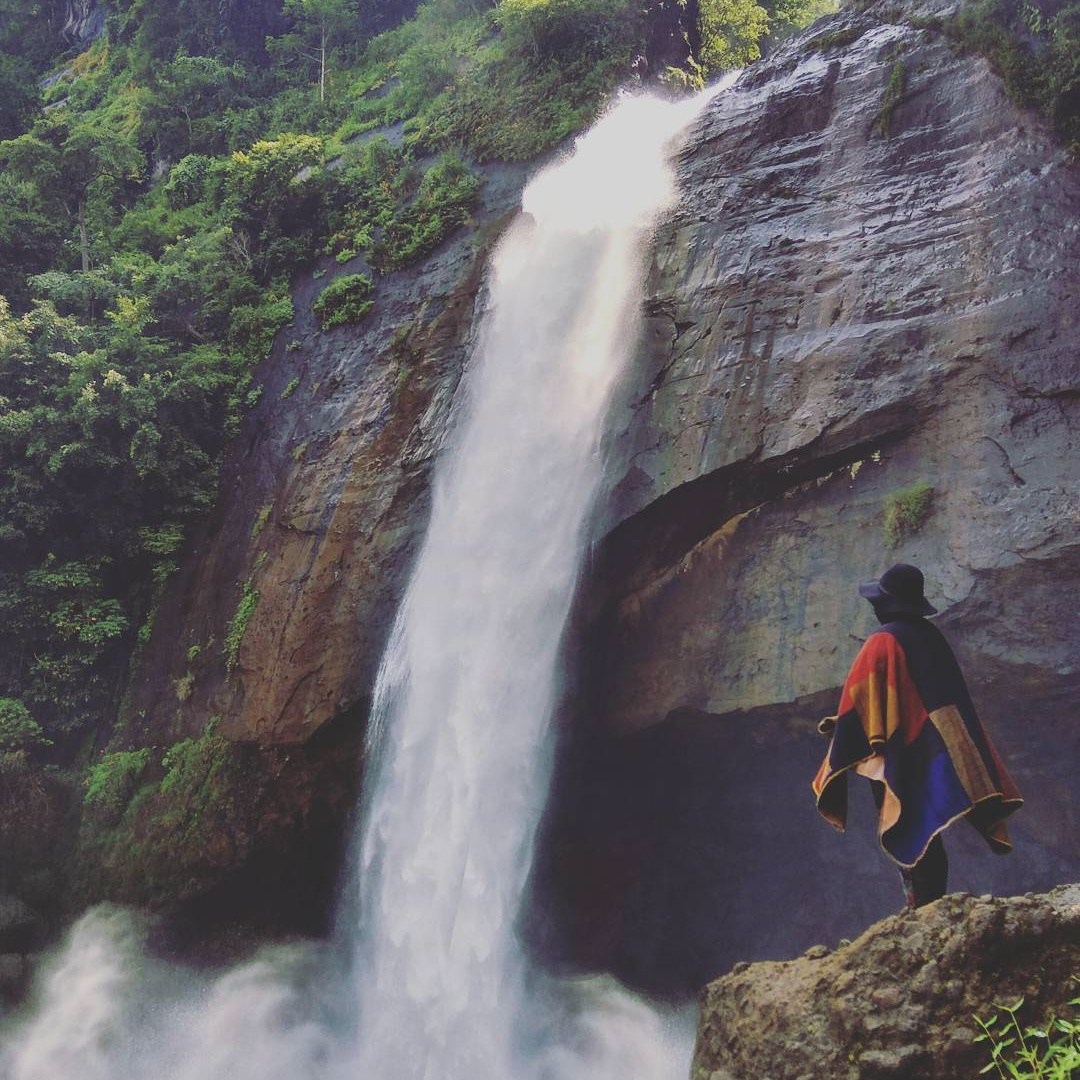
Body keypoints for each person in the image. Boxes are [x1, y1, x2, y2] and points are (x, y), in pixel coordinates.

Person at [811, 563, 1022, 908]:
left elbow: (859, 701)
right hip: (936, 744)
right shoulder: (930, 635)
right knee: (925, 822)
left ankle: (922, 905)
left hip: (899, 748)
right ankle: (930, 901)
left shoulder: (882, 641)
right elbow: (928, 696)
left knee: (905, 821)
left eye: (878, 601)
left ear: (887, 604)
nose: (874, 607)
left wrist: (843, 730)